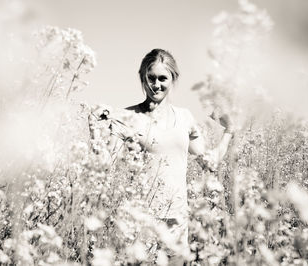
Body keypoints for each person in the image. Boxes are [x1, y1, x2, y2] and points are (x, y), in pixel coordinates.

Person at [89, 48, 234, 265]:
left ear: (173, 79)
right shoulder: (127, 117)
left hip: (177, 219)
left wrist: (230, 131)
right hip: (141, 220)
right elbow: (103, 165)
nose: (156, 84)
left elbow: (209, 162)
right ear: (142, 78)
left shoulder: (185, 117)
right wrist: (92, 129)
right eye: (151, 78)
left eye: (162, 78)